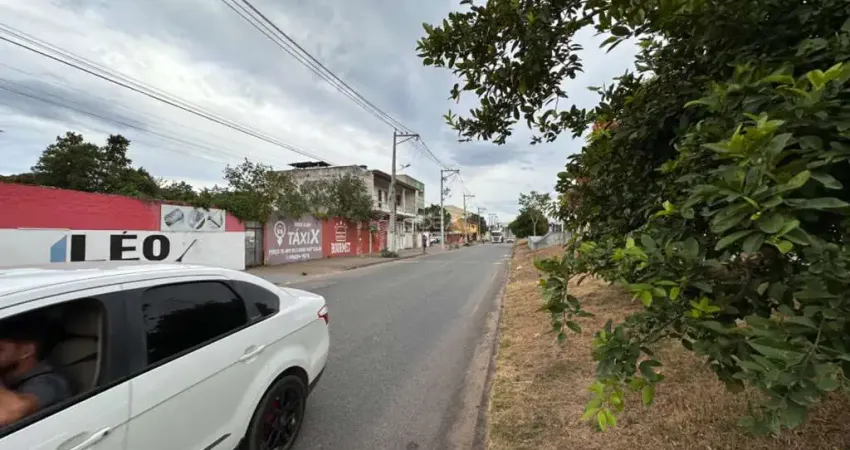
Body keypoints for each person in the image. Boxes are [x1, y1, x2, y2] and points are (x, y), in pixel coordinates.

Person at [0, 313, 72, 426]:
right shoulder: (9, 378)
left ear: (26, 351)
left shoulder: (49, 383)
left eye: (1, 349)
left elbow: (7, 413)